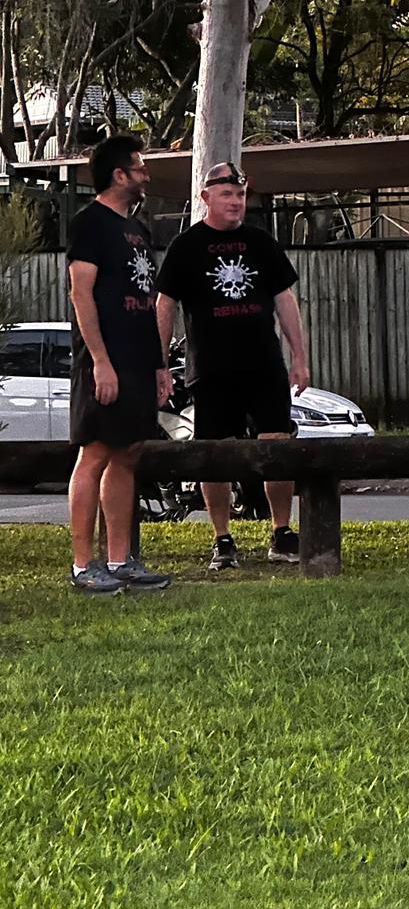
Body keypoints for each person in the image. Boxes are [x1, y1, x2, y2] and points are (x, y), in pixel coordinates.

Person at [156, 162, 310, 571]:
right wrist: (160, 362)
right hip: (212, 367)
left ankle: (282, 531)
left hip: (263, 363)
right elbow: (165, 304)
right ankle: (222, 539)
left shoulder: (260, 242)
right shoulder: (187, 246)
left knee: (277, 444)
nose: (236, 202)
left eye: (240, 195)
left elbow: (285, 300)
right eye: (227, 194)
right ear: (206, 197)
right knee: (215, 452)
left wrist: (299, 357)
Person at [67, 134, 173, 594]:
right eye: (140, 167)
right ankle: (82, 565)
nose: (146, 175)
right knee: (95, 453)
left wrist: (158, 366)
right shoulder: (89, 224)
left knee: (128, 453)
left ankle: (119, 559)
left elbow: (147, 300)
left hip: (138, 360)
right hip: (105, 361)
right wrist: (100, 363)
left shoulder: (137, 230)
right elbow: (81, 294)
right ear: (118, 175)